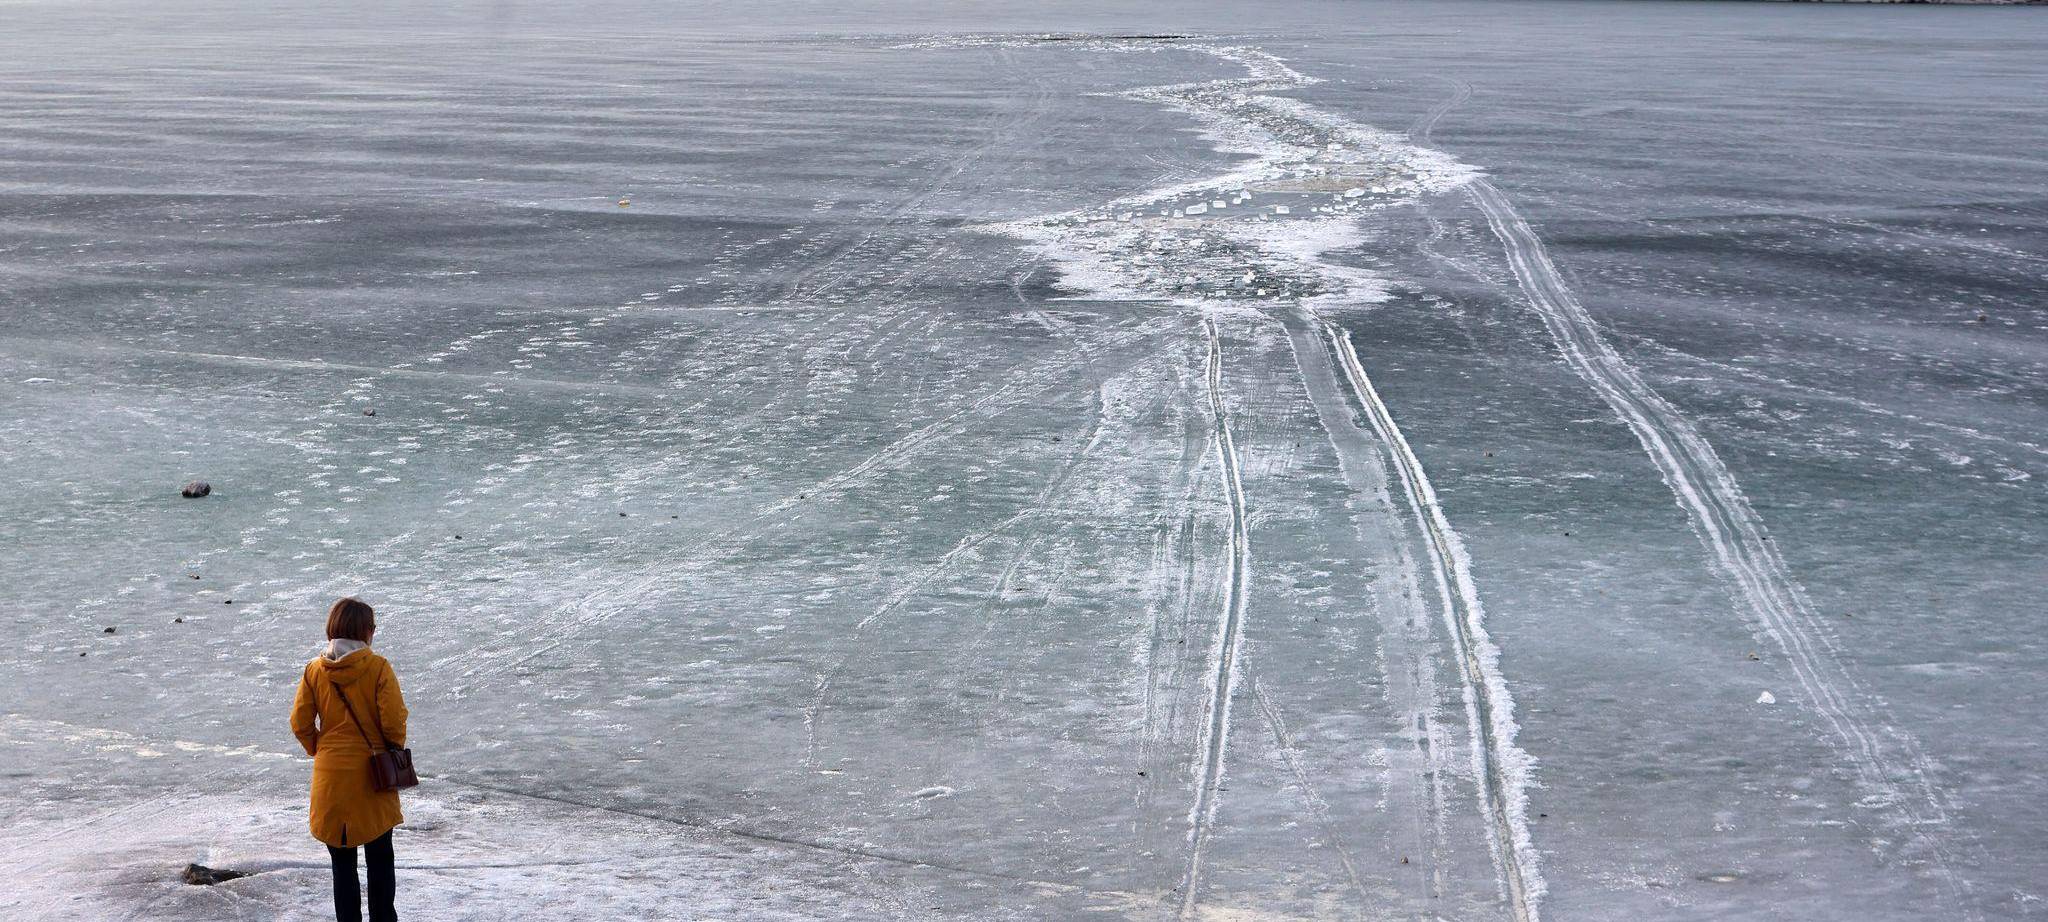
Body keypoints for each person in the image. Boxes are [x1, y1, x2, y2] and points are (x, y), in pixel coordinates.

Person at [291, 597, 408, 922]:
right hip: (372, 777)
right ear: (366, 631)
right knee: (380, 859)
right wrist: (391, 748)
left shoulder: (315, 670)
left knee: (342, 867)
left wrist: (321, 749)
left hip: (330, 780)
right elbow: (394, 722)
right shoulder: (378, 667)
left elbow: (300, 723)